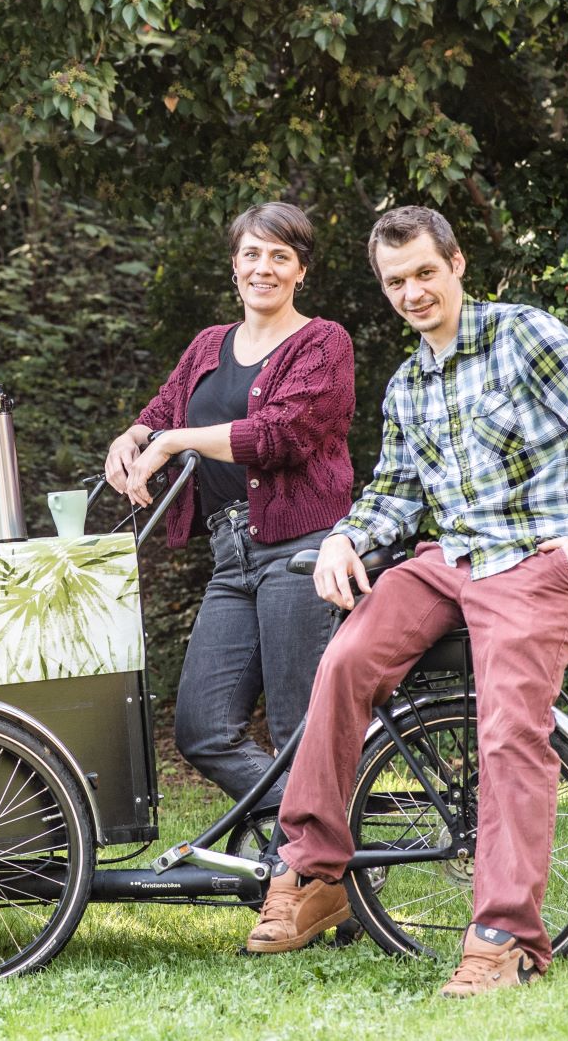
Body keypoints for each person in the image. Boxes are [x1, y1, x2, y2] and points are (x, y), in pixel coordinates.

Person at [241, 206, 568, 995]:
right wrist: (345, 540)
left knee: (508, 731)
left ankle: (504, 937)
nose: (412, 292)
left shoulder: (522, 335)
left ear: (457, 264)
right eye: (396, 281)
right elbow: (394, 495)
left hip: (532, 562)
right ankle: (317, 870)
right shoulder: (408, 384)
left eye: (425, 273)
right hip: (450, 559)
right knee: (346, 660)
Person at [105, 202, 355, 811]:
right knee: (202, 729)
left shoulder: (323, 342)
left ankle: (319, 883)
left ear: (301, 272)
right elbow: (164, 412)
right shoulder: (208, 345)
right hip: (231, 554)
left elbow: (279, 435)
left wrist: (173, 442)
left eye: (280, 256)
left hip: (302, 551)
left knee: (301, 730)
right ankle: (308, 841)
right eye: (251, 253)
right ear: (234, 265)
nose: (262, 268)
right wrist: (132, 438)